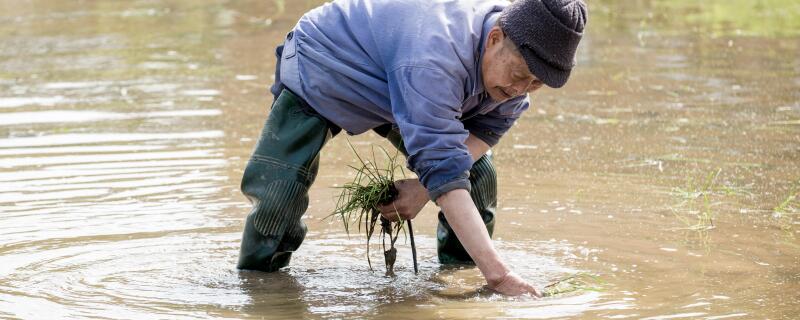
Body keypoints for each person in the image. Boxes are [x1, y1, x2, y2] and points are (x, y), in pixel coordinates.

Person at [237, 0, 587, 296]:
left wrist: (421, 190)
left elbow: (486, 132)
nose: (522, 88)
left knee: (478, 173)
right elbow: (445, 173)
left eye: (537, 82)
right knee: (278, 193)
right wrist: (500, 276)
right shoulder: (435, 59)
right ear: (494, 39)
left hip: (403, 85)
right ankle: (261, 287)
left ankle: (460, 275)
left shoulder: (512, 76)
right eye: (520, 74)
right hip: (328, 64)